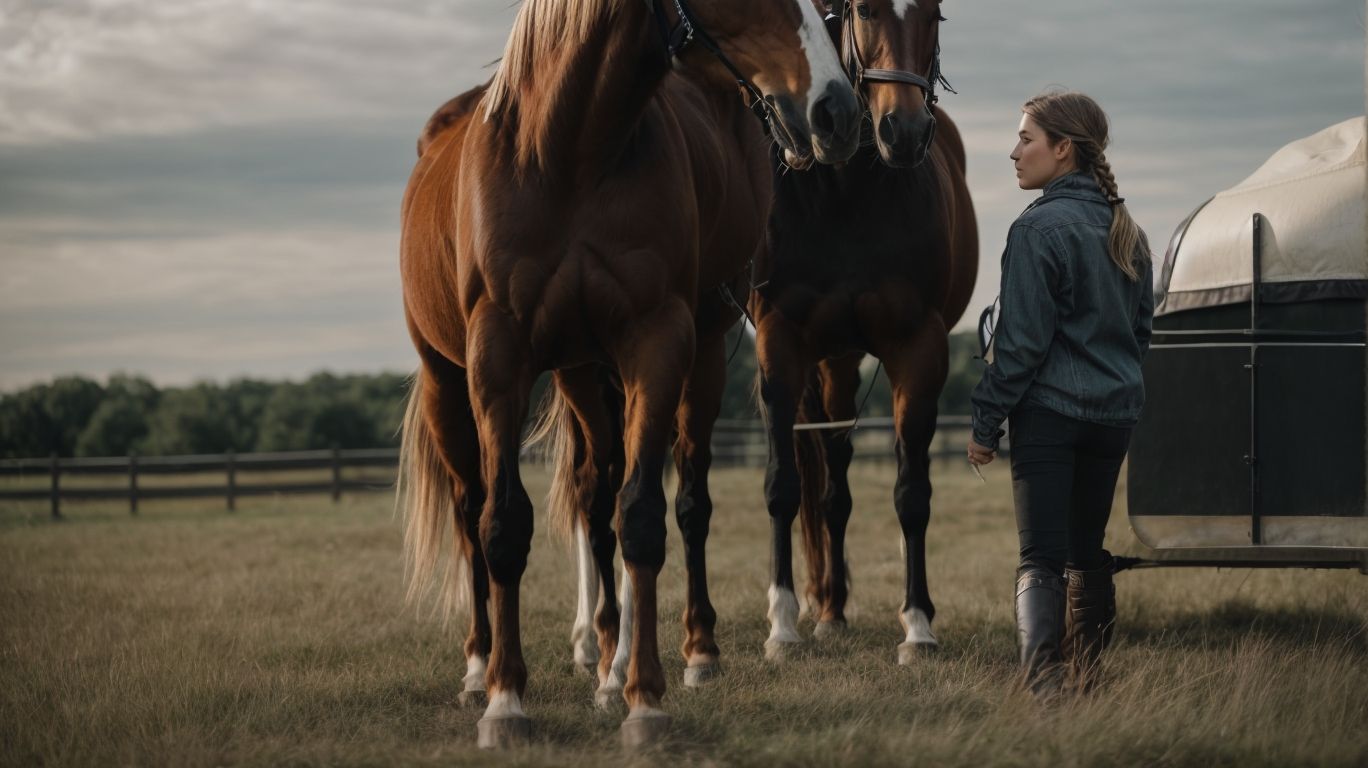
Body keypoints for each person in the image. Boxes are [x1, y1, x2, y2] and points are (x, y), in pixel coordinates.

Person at [967, 90, 1154, 698]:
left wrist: (985, 421)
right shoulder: (1131, 230)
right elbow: (1142, 332)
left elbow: (1020, 346)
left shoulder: (1036, 228)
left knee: (1041, 559)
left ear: (1063, 148)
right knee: (1085, 554)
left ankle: (1045, 687)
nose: (1014, 152)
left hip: (1048, 416)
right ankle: (1087, 682)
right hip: (1112, 418)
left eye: (1026, 139)